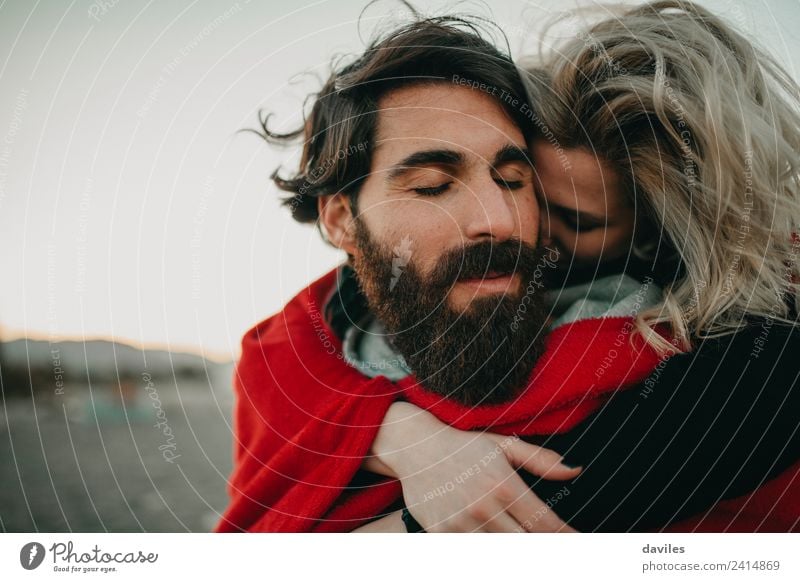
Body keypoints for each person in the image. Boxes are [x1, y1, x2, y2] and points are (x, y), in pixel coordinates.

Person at [217, 2, 800, 533]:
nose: (514, 225)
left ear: (660, 243)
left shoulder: (741, 368)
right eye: (432, 185)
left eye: (574, 220)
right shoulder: (327, 334)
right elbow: (284, 344)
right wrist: (392, 431)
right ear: (341, 219)